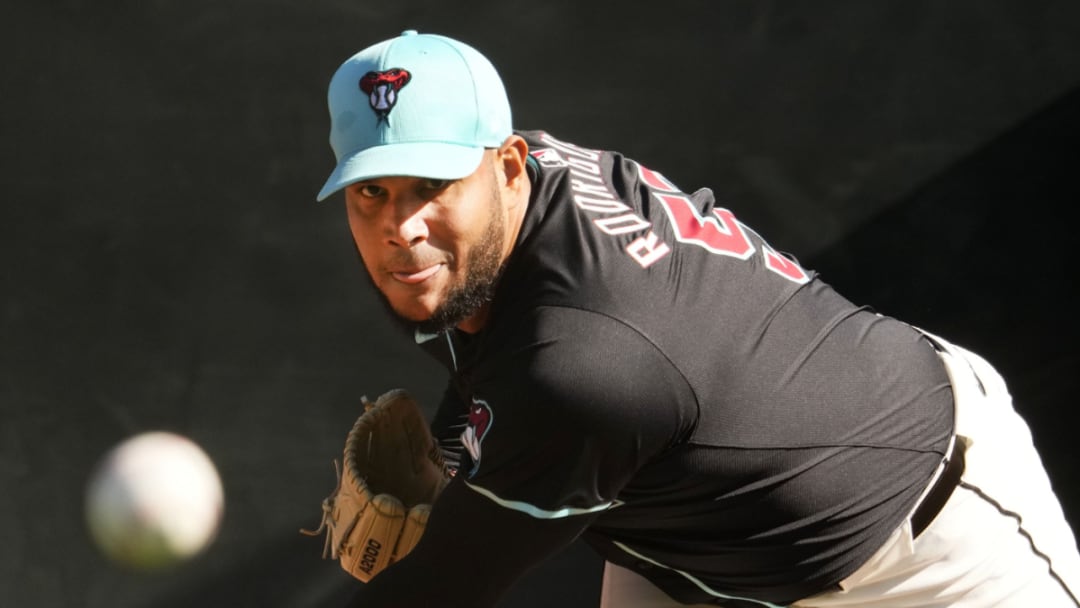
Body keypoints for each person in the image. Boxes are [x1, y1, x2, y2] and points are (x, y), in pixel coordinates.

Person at [312, 29, 1080, 607]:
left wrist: (457, 496)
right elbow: (495, 376)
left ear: (509, 166)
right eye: (370, 192)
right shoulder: (480, 239)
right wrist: (458, 462)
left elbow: (443, 586)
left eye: (432, 183)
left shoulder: (586, 364)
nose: (400, 225)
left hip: (930, 547)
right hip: (704, 520)